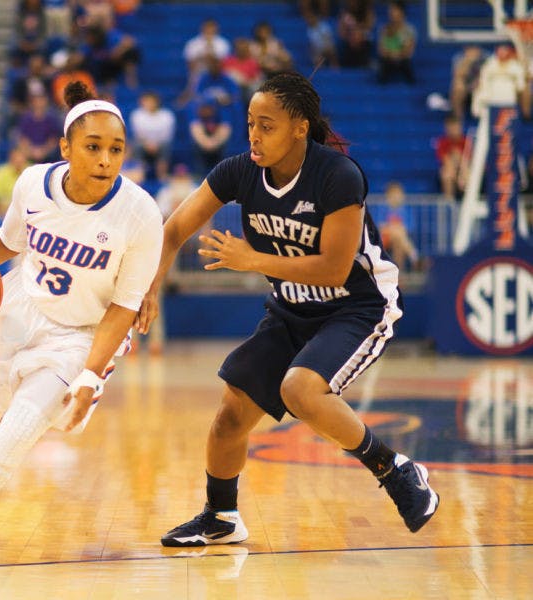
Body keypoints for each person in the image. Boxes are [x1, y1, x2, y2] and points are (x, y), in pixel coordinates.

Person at [134, 71, 440, 547]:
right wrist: (150, 288)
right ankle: (221, 516)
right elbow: (172, 230)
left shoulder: (338, 175)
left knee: (300, 389)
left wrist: (251, 259)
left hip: (357, 306)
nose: (254, 135)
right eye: (250, 123)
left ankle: (396, 469)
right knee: (231, 413)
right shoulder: (238, 171)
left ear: (300, 127)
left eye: (267, 125)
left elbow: (336, 269)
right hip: (290, 309)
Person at [0, 81, 163, 570]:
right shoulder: (32, 184)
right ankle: (10, 410)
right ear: (65, 148)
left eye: (116, 149)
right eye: (93, 147)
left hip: (80, 336)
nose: (106, 159)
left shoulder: (141, 214)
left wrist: (89, 374)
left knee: (19, 434)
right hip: (16, 308)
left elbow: (123, 309)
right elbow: (5, 242)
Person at [378, 181, 419, 271]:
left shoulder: (407, 210)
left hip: (400, 239)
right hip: (384, 239)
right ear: (388, 196)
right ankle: (414, 256)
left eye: (398, 194)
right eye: (393, 195)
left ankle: (398, 274)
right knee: (398, 232)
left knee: (398, 243)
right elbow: (380, 228)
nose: (396, 197)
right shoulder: (382, 208)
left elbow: (410, 228)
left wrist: (396, 229)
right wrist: (394, 228)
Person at [376, 0, 416, 84]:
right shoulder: (384, 29)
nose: (390, 12)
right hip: (387, 60)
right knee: (382, 67)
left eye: (394, 10)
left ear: (401, 12)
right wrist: (391, 55)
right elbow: (381, 49)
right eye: (390, 10)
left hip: (402, 60)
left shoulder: (408, 30)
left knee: (406, 66)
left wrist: (397, 55)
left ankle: (411, 88)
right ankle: (380, 91)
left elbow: (409, 51)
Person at [433, 114, 470, 201]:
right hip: (451, 171)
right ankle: (449, 202)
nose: (453, 130)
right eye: (450, 127)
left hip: (464, 169)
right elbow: (445, 161)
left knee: (467, 172)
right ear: (446, 128)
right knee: (446, 173)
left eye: (455, 126)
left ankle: (468, 201)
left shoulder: (467, 141)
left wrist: (460, 160)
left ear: (460, 126)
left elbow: (468, 161)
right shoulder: (442, 142)